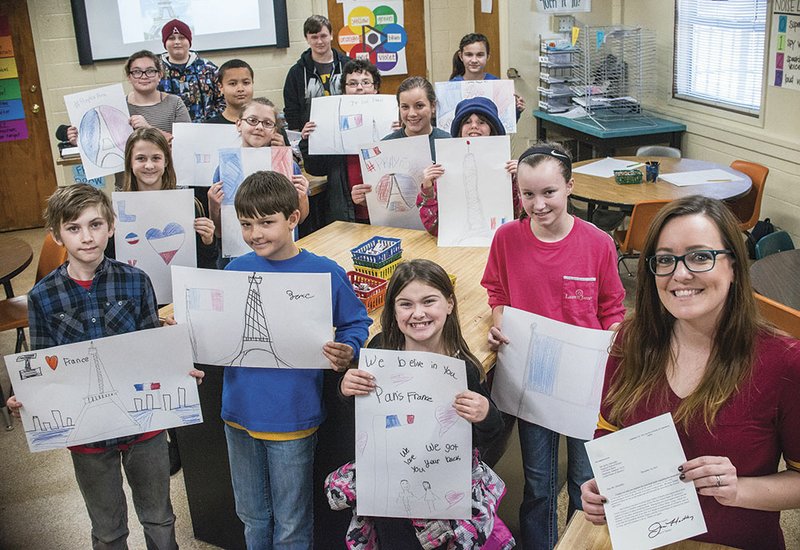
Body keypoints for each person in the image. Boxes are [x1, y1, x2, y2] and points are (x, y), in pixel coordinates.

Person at [580, 195, 800, 550]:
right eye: (665, 260)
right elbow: (609, 430)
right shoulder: (631, 340)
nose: (680, 274)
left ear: (733, 265)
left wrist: (739, 489)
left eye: (700, 256)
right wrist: (602, 484)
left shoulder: (784, 361)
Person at [6, 184, 204, 549]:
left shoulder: (136, 281)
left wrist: (180, 372)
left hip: (145, 430)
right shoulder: (43, 296)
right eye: (74, 228)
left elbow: (151, 347)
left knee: (160, 518)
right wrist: (30, 398)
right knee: (108, 528)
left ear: (111, 227)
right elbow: (45, 363)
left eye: (96, 225)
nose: (87, 237)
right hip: (88, 438)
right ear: (57, 234)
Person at [481, 143, 626, 550]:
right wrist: (498, 324)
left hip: (584, 383)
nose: (538, 204)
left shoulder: (598, 243)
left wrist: (613, 335)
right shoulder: (507, 238)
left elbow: (613, 307)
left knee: (585, 480)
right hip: (532, 377)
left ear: (569, 188)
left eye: (549, 192)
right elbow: (497, 292)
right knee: (539, 481)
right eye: (528, 194)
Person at [222, 170, 372, 548]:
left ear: (293, 218)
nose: (256, 234)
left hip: (292, 417)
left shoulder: (323, 271)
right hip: (238, 414)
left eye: (267, 222)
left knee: (291, 519)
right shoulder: (233, 271)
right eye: (246, 224)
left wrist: (349, 348)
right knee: (252, 516)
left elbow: (356, 322)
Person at [336, 259, 510, 548]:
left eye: (429, 301)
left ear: (450, 304)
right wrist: (346, 390)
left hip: (442, 496)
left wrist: (485, 414)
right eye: (406, 304)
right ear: (393, 309)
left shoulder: (462, 367)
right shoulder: (380, 350)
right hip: (389, 490)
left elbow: (489, 435)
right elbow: (363, 417)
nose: (418, 313)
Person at [206, 98, 309, 262]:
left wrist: (302, 197)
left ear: (275, 130)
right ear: (239, 124)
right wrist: (213, 205)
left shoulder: (288, 166)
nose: (259, 127)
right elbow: (219, 231)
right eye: (252, 120)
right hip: (236, 256)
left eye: (267, 123)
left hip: (281, 256)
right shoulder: (225, 170)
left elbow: (300, 218)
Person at [416, 96, 522, 236]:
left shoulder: (508, 170)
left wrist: (522, 181)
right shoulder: (443, 171)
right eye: (467, 122)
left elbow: (521, 218)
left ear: (492, 128)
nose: (473, 126)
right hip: (458, 246)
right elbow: (434, 227)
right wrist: (428, 189)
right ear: (459, 131)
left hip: (500, 242)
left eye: (481, 122)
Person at [299, 59, 382, 227]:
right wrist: (309, 141)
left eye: (366, 82)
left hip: (383, 209)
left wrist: (400, 135)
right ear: (344, 90)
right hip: (346, 212)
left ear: (375, 88)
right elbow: (316, 169)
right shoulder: (332, 123)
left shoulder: (391, 119)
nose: (359, 88)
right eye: (352, 83)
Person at [121, 128, 217, 269]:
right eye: (141, 158)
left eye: (156, 158)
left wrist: (208, 241)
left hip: (180, 286)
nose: (149, 165)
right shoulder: (116, 210)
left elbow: (207, 263)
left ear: (166, 161)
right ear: (130, 162)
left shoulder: (190, 205)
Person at [351, 76, 451, 210]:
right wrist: (365, 198)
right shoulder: (385, 146)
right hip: (398, 228)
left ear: (433, 106)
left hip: (438, 225)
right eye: (405, 107)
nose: (412, 113)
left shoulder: (448, 142)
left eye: (419, 106)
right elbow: (380, 199)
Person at [283, 14, 349, 131]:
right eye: (314, 37)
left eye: (323, 36)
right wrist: (298, 138)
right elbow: (291, 110)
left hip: (346, 129)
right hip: (312, 136)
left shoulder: (348, 66)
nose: (319, 41)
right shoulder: (296, 73)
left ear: (331, 35)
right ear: (306, 38)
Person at [158, 18, 224, 122]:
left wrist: (214, 121)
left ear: (189, 41)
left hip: (207, 130)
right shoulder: (156, 71)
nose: (177, 42)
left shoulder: (208, 69)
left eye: (182, 37)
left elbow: (223, 99)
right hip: (168, 133)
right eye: (171, 38)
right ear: (165, 42)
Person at [449, 33, 526, 118]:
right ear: (461, 56)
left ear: (488, 56)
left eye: (480, 55)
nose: (474, 60)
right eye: (469, 55)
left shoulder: (497, 85)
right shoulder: (452, 86)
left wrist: (516, 110)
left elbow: (505, 122)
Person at [125, 50, 191, 141]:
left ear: (160, 75)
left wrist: (149, 129)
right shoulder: (120, 106)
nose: (144, 76)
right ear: (129, 77)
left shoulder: (175, 103)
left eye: (150, 71)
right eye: (137, 72)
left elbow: (186, 142)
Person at [204, 59, 254, 125]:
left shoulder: (266, 122)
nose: (240, 89)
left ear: (252, 83)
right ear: (220, 87)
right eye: (233, 83)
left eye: (246, 83)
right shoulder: (211, 126)